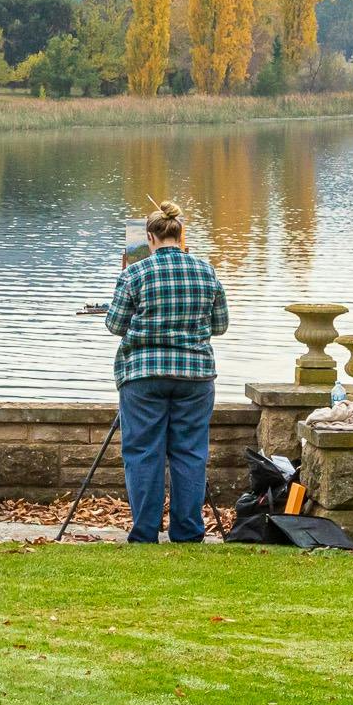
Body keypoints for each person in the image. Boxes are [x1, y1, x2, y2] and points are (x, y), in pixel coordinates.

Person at [102, 200, 230, 543]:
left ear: (149, 237)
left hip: (143, 375)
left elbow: (114, 325)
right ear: (180, 234)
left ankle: (144, 532)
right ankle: (187, 531)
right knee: (190, 452)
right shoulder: (207, 271)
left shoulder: (134, 273)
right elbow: (220, 325)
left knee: (143, 452)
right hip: (195, 376)